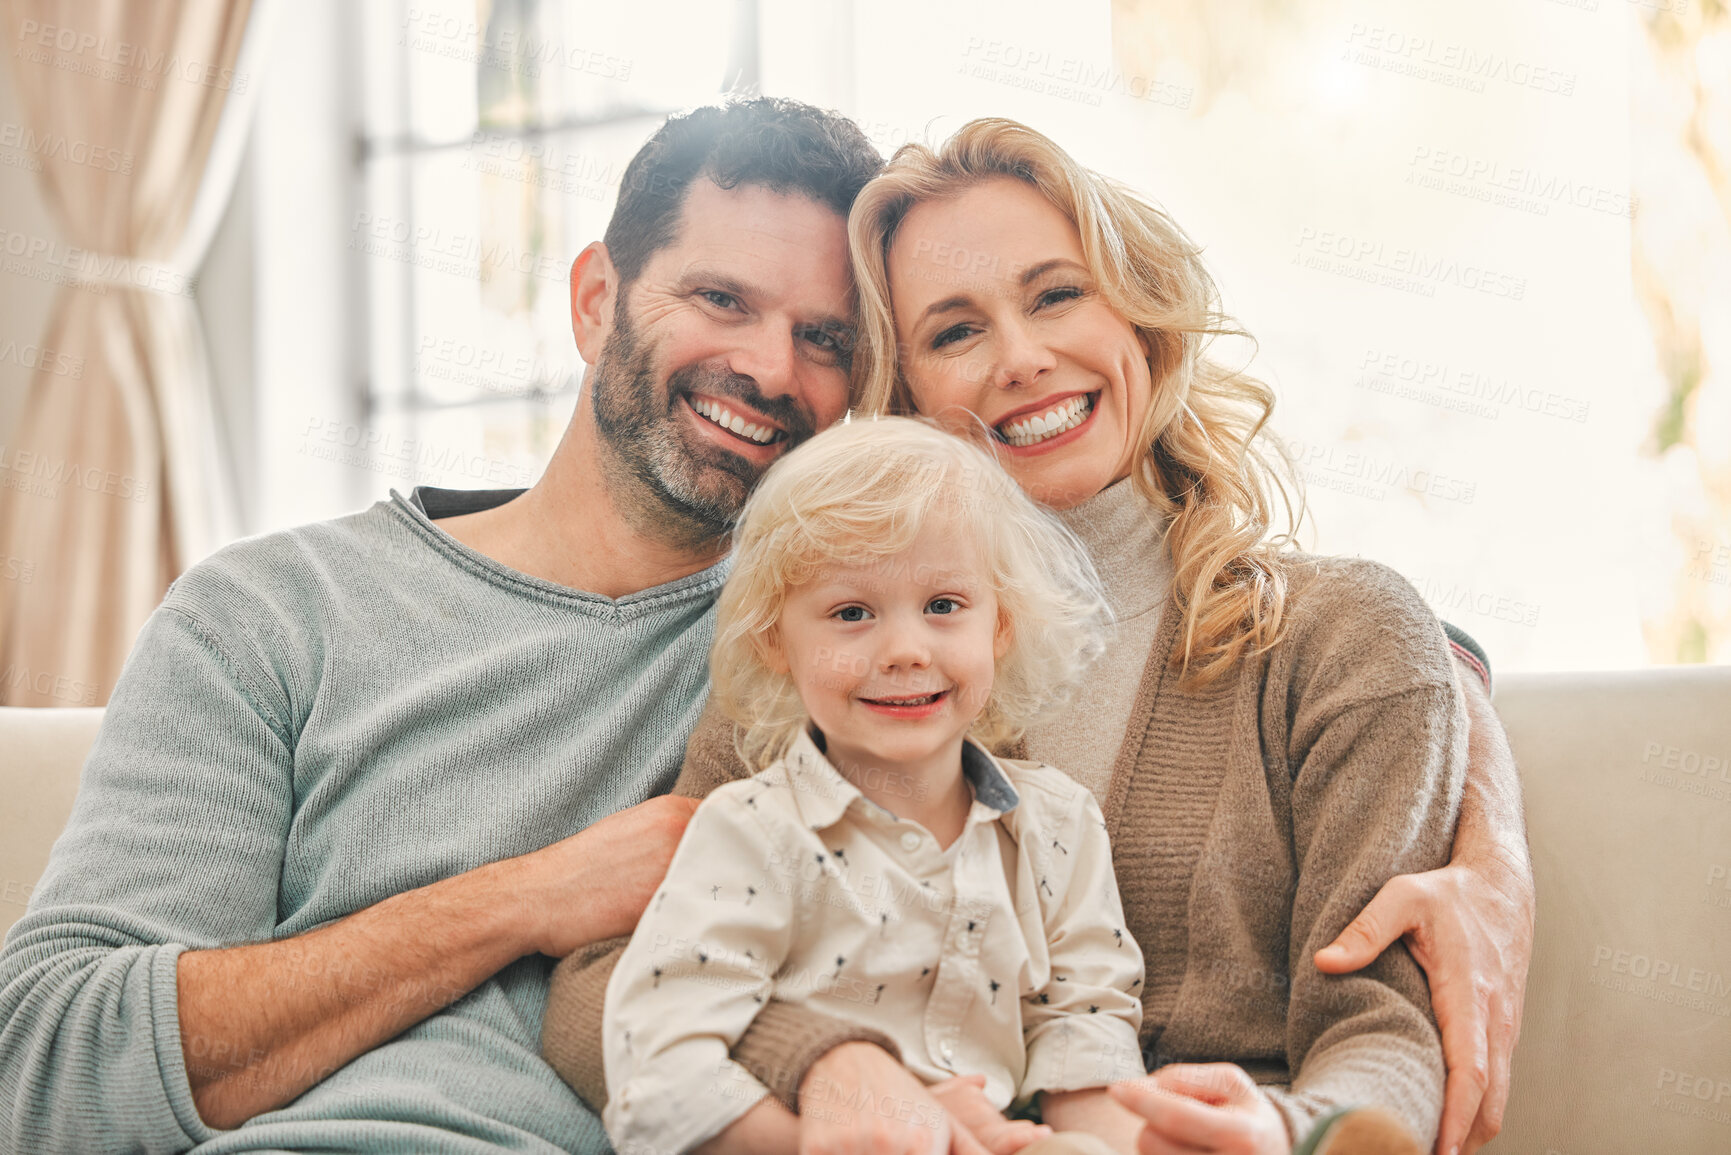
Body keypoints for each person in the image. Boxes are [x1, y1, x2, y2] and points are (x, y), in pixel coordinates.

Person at [0, 98, 1528, 1154]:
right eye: (714, 299)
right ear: (597, 295)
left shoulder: (848, 631)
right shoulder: (292, 616)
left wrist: (1479, 820)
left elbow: (1351, 722)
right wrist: (552, 907)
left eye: (819, 337)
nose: (764, 367)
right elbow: (50, 1062)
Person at [540, 118, 1521, 1155]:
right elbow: (612, 983)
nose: (1021, 358)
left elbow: (1386, 1031)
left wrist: (1283, 1131)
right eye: (955, 332)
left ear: (1143, 322)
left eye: (1057, 294)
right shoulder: (821, 654)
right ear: (906, 392)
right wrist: (830, 1062)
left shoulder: (1349, 642)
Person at [598, 417, 1145, 1155]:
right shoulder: (752, 832)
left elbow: (1085, 1021)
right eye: (851, 613)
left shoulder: (1059, 823)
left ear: (1001, 625)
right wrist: (807, 1140)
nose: (906, 650)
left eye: (944, 606)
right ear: (774, 640)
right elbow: (659, 1063)